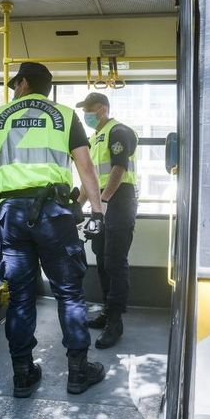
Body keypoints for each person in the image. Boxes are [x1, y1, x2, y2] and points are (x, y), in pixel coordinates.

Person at [0, 62, 106, 398]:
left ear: (23, 83)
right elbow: (86, 167)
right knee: (69, 293)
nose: (13, 90)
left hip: (11, 215)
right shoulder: (64, 115)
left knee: (20, 296)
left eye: (15, 85)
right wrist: (97, 211)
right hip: (54, 213)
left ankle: (22, 374)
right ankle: (78, 372)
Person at [76, 92, 138, 349]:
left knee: (114, 261)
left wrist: (103, 203)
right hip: (102, 203)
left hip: (118, 200)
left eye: (88, 110)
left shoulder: (119, 131)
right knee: (101, 258)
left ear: (101, 109)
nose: (85, 115)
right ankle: (106, 310)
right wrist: (76, 207)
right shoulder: (94, 138)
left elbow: (118, 169)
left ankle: (115, 321)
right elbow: (89, 178)